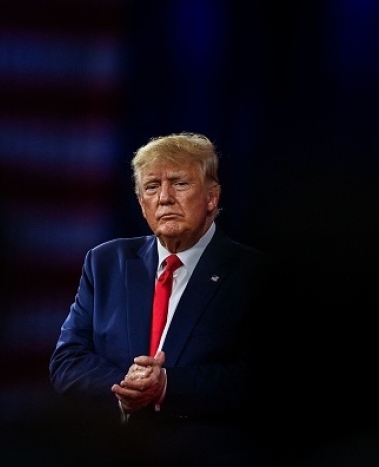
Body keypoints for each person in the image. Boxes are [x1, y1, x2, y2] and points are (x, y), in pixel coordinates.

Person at [49, 132, 270, 464]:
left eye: (180, 184)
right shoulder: (106, 262)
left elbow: (260, 377)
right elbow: (68, 361)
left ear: (212, 197)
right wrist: (125, 388)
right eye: (152, 187)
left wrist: (166, 385)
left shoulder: (253, 274)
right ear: (141, 203)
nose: (164, 198)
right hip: (113, 449)